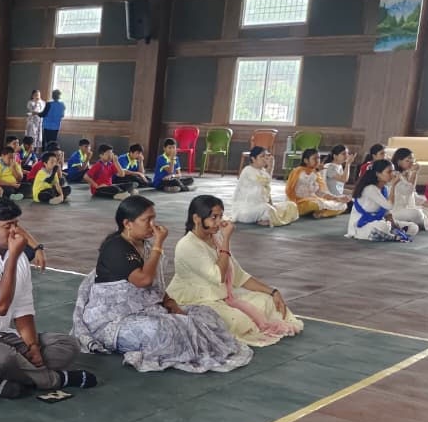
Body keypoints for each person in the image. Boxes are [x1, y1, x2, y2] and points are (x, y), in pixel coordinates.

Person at [0, 198, 96, 399]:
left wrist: (33, 347)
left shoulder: (19, 258)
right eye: (7, 226)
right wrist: (12, 257)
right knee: (0, 357)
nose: (15, 232)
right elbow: (0, 306)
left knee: (68, 345)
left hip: (3, 337)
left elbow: (23, 309)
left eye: (16, 224)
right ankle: (56, 379)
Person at [71, 196, 253, 373]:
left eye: (154, 219)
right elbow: (144, 280)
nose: (153, 224)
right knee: (163, 330)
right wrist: (158, 244)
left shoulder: (144, 245)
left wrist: (170, 303)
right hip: (113, 320)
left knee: (205, 314)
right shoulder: (115, 247)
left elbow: (155, 287)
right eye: (147, 220)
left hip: (147, 310)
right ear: (127, 223)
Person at [167, 195, 303, 347]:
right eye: (213, 217)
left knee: (268, 302)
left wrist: (273, 292)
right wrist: (226, 239)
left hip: (221, 296)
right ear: (196, 219)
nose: (219, 222)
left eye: (220, 216)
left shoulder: (216, 239)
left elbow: (239, 276)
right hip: (196, 301)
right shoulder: (188, 245)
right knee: (240, 321)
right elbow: (218, 276)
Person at [345, 159, 418, 242]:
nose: (392, 174)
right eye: (389, 172)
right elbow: (389, 206)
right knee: (383, 226)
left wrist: (394, 224)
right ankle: (391, 235)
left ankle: (390, 233)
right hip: (362, 225)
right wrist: (393, 185)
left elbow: (386, 211)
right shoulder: (370, 189)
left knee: (413, 227)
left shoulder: (384, 189)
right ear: (378, 174)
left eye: (393, 171)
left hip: (378, 221)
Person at [230, 146, 298, 226]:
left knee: (291, 205)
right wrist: (270, 167)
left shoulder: (262, 171)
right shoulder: (247, 170)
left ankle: (268, 219)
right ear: (253, 159)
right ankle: (270, 219)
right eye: (262, 156)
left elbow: (266, 190)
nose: (265, 158)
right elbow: (264, 181)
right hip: (245, 211)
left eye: (266, 156)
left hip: (260, 207)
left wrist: (271, 204)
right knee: (268, 209)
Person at [390, 147, 428, 232]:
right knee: (416, 213)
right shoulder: (394, 175)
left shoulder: (407, 174)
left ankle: (413, 224)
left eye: (413, 159)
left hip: (409, 208)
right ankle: (413, 223)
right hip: (396, 211)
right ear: (399, 161)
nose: (412, 162)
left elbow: (415, 197)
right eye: (408, 160)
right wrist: (415, 172)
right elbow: (408, 191)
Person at [285, 148, 348, 219]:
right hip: (299, 203)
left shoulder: (317, 174)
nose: (317, 161)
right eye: (314, 158)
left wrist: (336, 198)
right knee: (313, 204)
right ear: (306, 160)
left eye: (318, 158)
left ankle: (322, 214)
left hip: (314, 201)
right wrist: (316, 170)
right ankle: (318, 210)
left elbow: (320, 193)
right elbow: (306, 181)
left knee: (343, 205)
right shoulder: (299, 171)